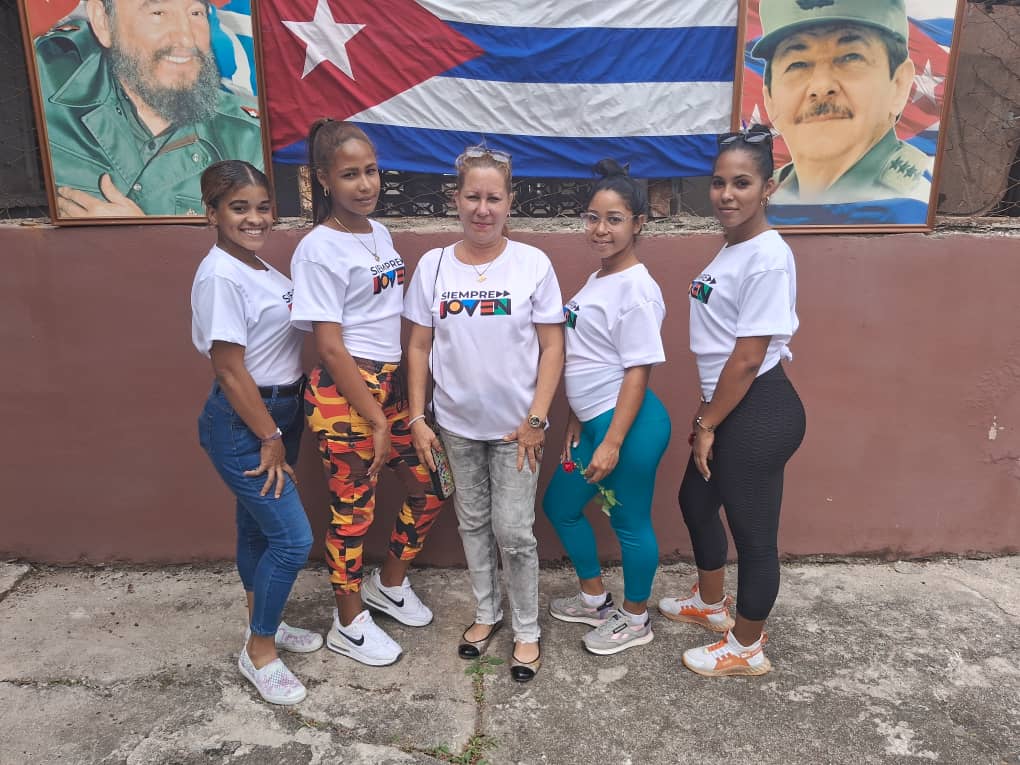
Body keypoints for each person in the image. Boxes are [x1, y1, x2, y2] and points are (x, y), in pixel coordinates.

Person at [403, 144, 564, 683]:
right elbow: (420, 346)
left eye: (494, 197)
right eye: (473, 196)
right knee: (472, 522)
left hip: (518, 430)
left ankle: (526, 629)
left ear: (510, 202)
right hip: (454, 427)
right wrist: (418, 416)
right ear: (456, 199)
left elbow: (552, 347)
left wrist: (538, 418)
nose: (483, 208)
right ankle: (486, 613)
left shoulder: (533, 265)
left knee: (515, 531)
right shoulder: (434, 266)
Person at [290, 119, 444, 668]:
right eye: (350, 174)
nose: (365, 184)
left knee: (429, 488)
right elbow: (328, 346)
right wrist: (376, 419)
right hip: (345, 393)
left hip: (391, 386)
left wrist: (400, 395)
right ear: (324, 180)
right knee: (353, 512)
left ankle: (390, 584)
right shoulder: (316, 249)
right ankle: (348, 621)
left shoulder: (376, 233)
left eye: (371, 171)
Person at [657, 126, 805, 677]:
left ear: (768, 187)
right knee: (696, 503)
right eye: (719, 182)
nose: (726, 194)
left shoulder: (767, 256)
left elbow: (747, 357)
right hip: (730, 407)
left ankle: (746, 647)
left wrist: (707, 422)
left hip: (757, 410)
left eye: (742, 183)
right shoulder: (736, 247)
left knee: (754, 535)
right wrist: (709, 415)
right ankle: (712, 605)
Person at [192, 160, 321, 706]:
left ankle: (260, 620)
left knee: (257, 532)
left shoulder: (259, 268)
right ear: (213, 214)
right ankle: (260, 652)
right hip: (248, 423)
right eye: (239, 208)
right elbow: (227, 367)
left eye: (262, 206)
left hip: (279, 414)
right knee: (293, 540)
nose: (254, 218)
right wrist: (268, 434)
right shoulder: (220, 275)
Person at [542, 160, 672, 656]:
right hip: (594, 422)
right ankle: (596, 599)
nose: (601, 229)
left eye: (614, 219)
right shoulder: (601, 279)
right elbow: (591, 356)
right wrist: (576, 416)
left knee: (629, 523)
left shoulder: (636, 287)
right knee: (561, 506)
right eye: (593, 217)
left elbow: (639, 370)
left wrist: (613, 442)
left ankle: (636, 618)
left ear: (638, 223)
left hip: (629, 428)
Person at [33, 0, 263, 218]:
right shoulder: (36, 85)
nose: (185, 38)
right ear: (104, 22)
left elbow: (256, 252)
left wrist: (141, 239)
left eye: (195, 13)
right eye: (158, 13)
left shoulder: (249, 138)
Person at [751, 0, 932, 224]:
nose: (821, 87)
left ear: (899, 85)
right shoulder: (764, 201)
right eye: (797, 64)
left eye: (851, 57)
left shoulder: (918, 198)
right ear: (770, 99)